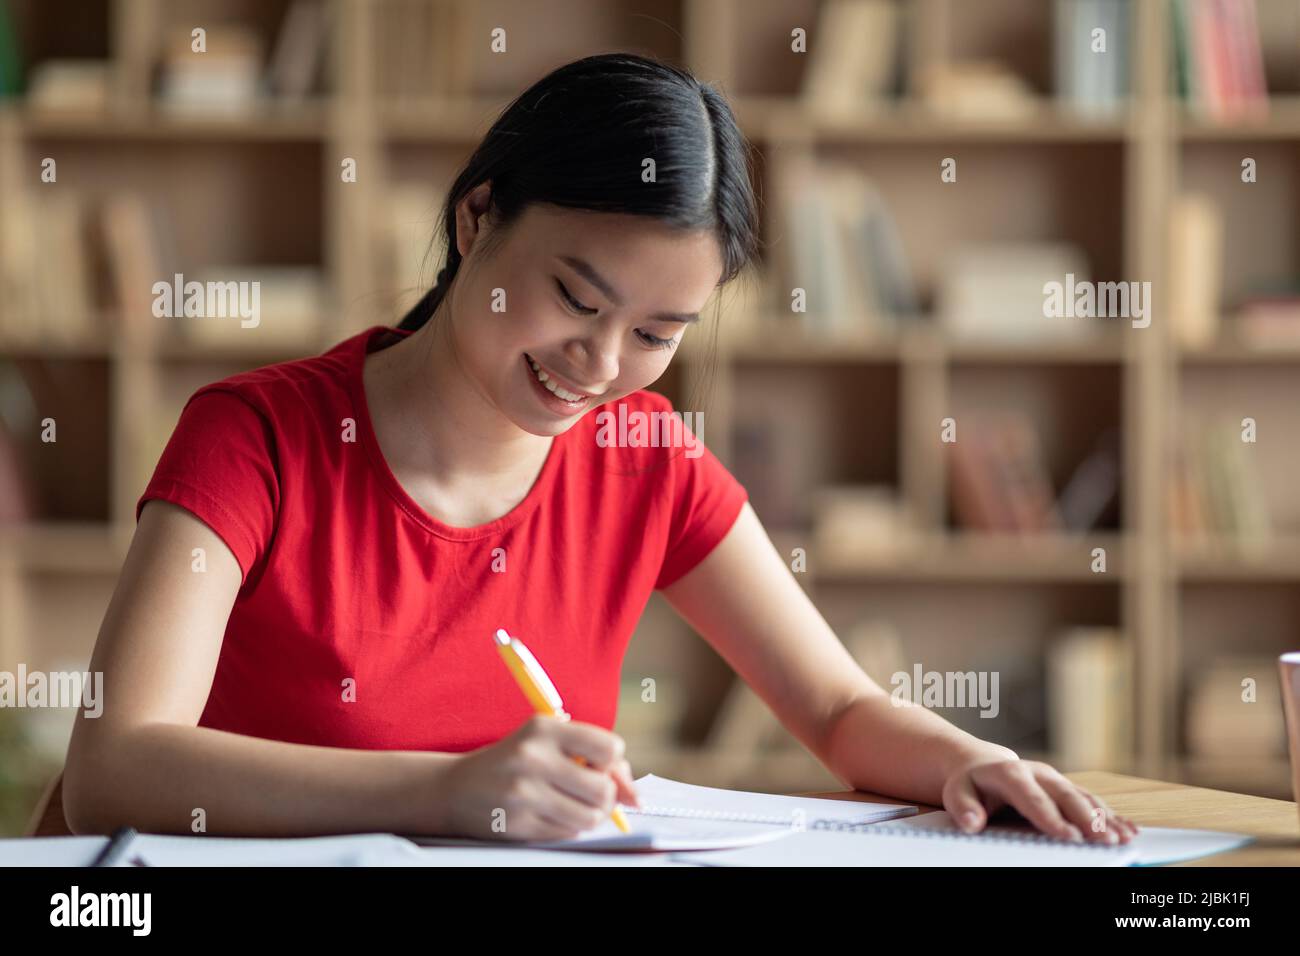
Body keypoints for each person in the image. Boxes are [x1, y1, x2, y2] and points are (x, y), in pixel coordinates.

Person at [65, 53, 1136, 846]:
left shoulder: (642, 453)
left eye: (658, 334)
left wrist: (973, 762)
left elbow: (839, 708)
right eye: (577, 298)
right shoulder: (257, 438)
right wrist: (443, 791)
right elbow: (114, 766)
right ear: (476, 218)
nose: (600, 362)